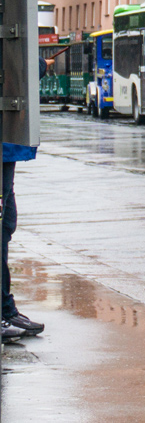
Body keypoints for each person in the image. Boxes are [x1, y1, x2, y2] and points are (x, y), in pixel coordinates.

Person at [2, 140, 45, 341]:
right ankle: (5, 312)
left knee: (7, 224)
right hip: (6, 145)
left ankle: (5, 310)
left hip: (9, 147)